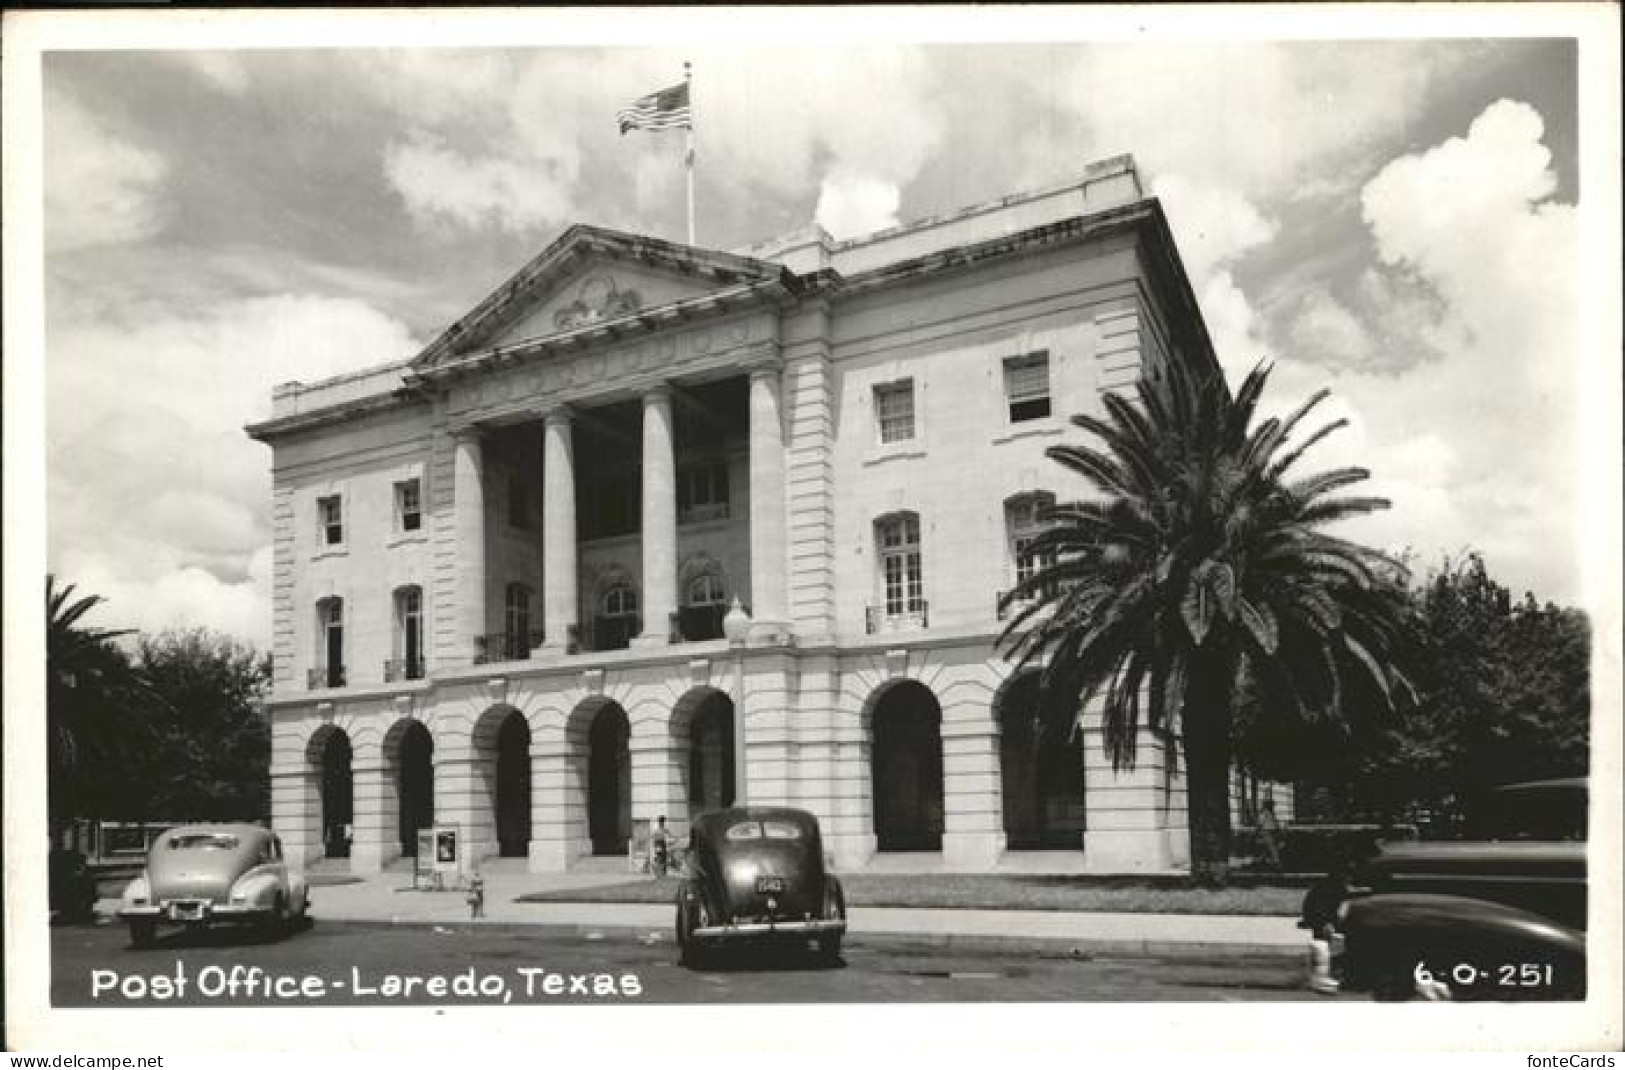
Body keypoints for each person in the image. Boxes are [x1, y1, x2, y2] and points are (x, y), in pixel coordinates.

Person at [1299, 856, 1350, 994]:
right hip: (1322, 921)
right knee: (1327, 947)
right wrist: (1326, 923)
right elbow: (1321, 907)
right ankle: (1326, 976)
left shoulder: (1328, 885)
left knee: (1325, 947)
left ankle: (1321, 975)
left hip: (1321, 919)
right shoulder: (1333, 887)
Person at [1257, 798, 1284, 872]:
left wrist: (1279, 830)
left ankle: (1262, 860)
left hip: (1272, 832)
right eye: (1271, 805)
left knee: (1271, 847)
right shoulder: (1264, 813)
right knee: (1272, 847)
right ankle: (1276, 863)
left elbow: (1275, 823)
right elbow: (1260, 823)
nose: (1273, 807)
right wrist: (1259, 832)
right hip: (1266, 832)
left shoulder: (1271, 813)